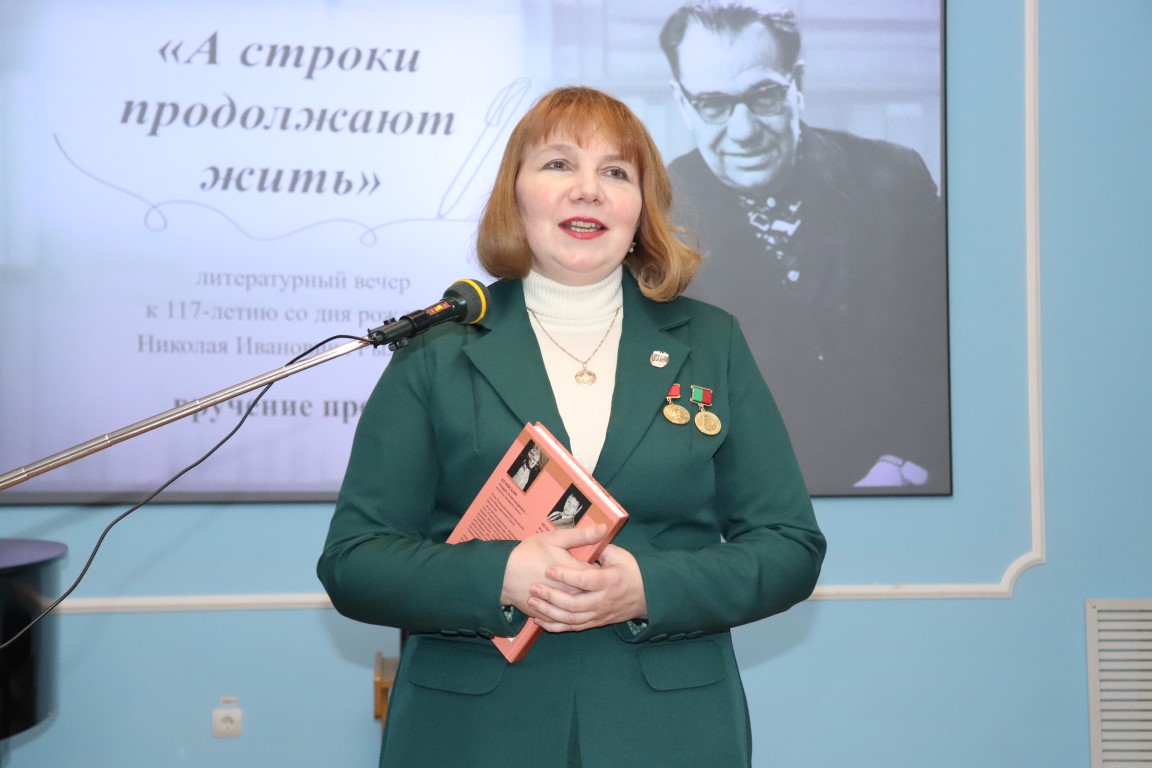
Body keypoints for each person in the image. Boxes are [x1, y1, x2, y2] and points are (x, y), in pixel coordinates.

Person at [317, 86, 825, 767]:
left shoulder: (711, 342)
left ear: (641, 207)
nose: (588, 189)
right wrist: (501, 575)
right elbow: (354, 562)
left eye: (615, 172)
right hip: (471, 733)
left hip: (668, 730)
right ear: (515, 194)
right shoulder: (437, 348)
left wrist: (649, 588)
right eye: (558, 164)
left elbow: (790, 547)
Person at [659, 2, 952, 495]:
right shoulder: (653, 213)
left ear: (797, 83)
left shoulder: (897, 179)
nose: (743, 131)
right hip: (738, 503)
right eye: (713, 104)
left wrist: (906, 463)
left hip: (904, 489)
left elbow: (945, 346)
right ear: (683, 103)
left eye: (765, 95)